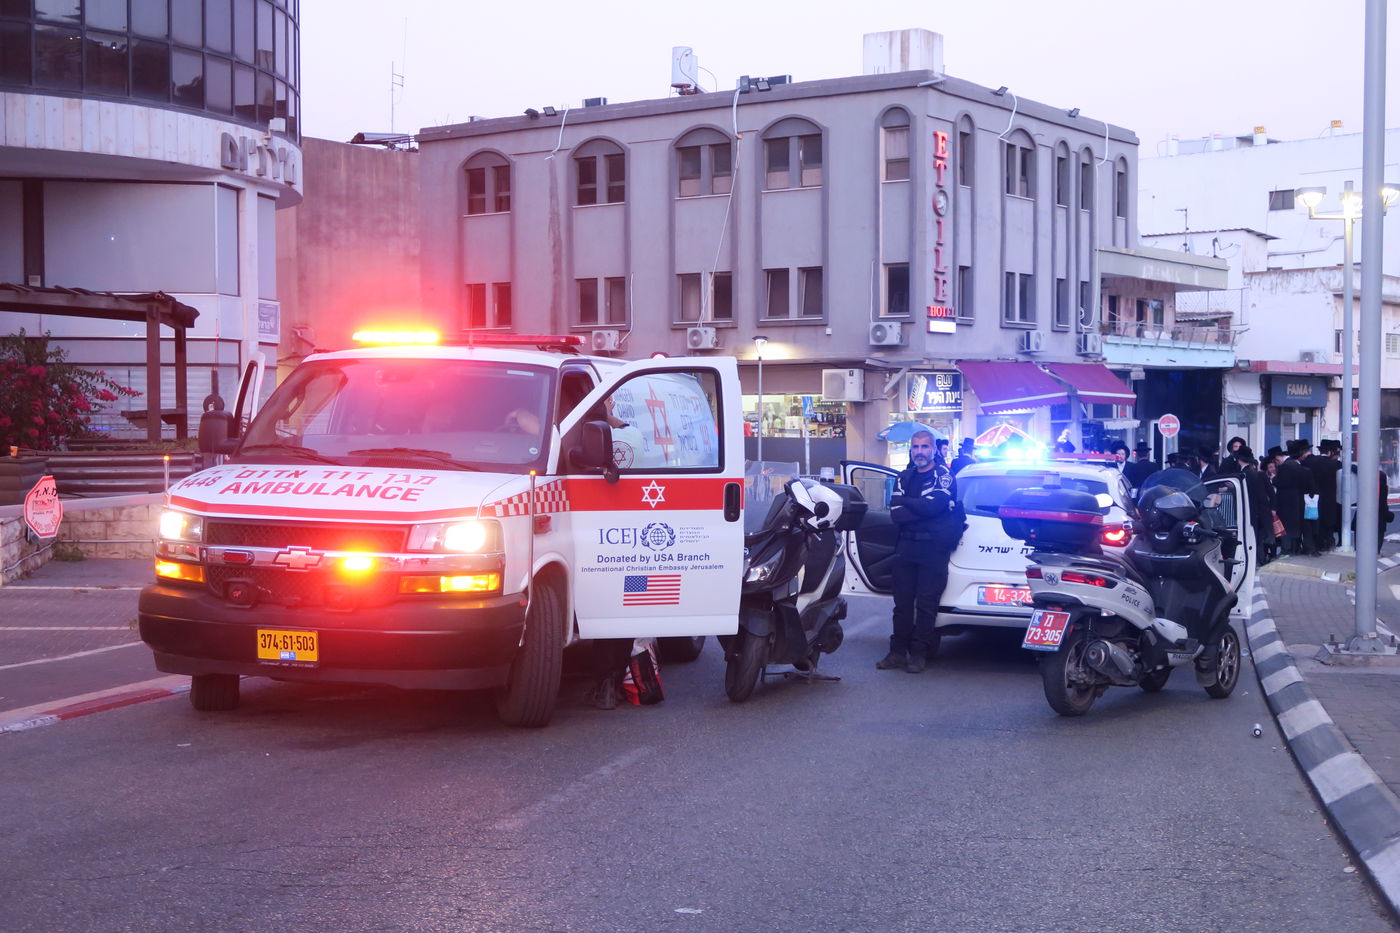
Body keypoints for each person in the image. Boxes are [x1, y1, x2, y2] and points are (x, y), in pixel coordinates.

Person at [876, 429, 966, 674]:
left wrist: (909, 504)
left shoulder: (943, 475)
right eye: (915, 447)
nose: (920, 452)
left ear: (934, 449)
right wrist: (919, 507)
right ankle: (896, 653)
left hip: (932, 549)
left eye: (924, 447)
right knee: (902, 604)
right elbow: (896, 513)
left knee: (926, 604)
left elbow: (934, 506)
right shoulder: (904, 477)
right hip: (906, 547)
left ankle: (918, 654)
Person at [1274, 439, 1317, 556]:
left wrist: (1274, 479)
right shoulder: (1304, 469)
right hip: (1301, 502)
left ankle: (1287, 550)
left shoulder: (1285, 467)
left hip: (1286, 504)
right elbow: (1311, 488)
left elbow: (1279, 483)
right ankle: (1302, 549)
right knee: (1300, 527)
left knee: (1287, 528)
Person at [1307, 439, 1342, 552]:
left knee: (1315, 524)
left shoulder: (1310, 462)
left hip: (1313, 499)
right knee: (1328, 525)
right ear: (1330, 452)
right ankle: (1327, 544)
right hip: (1330, 500)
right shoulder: (1335, 465)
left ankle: (1316, 545)